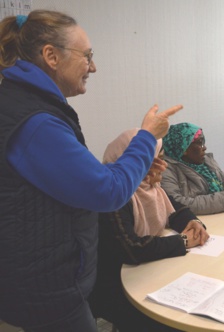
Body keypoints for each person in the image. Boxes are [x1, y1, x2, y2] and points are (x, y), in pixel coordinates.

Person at [0, 11, 181, 331]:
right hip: (48, 295)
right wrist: (147, 136)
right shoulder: (36, 123)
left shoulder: (20, 104)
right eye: (88, 56)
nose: (93, 67)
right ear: (51, 56)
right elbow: (107, 190)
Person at [89, 129, 209, 332]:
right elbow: (132, 248)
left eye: (162, 158)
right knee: (177, 321)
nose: (163, 166)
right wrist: (183, 241)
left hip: (147, 271)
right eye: (154, 160)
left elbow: (175, 210)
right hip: (116, 285)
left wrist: (194, 222)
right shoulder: (114, 196)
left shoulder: (150, 186)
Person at [161, 122, 224, 215]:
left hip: (222, 214)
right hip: (198, 222)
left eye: (203, 142)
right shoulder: (166, 169)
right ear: (183, 149)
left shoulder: (205, 160)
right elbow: (177, 203)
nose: (205, 148)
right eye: (200, 143)